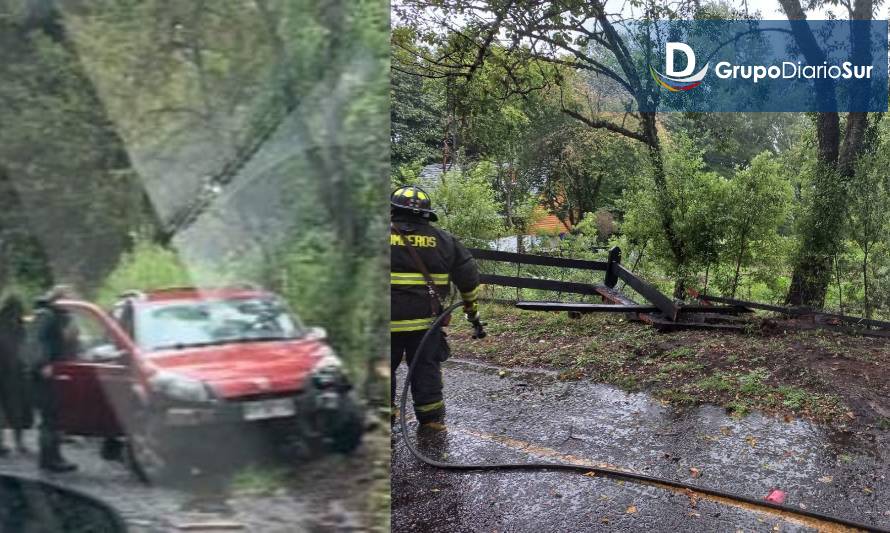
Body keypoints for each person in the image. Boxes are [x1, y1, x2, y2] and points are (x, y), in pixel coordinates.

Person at [390, 185, 483, 431]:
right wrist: (471, 311)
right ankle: (431, 422)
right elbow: (469, 278)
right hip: (426, 325)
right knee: (426, 371)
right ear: (426, 214)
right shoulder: (444, 241)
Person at [32, 286, 77, 472]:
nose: (71, 299)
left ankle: (54, 456)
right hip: (46, 374)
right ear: (58, 298)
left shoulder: (58, 317)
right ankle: (49, 459)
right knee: (49, 417)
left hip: (56, 371)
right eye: (68, 296)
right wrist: (43, 364)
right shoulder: (47, 316)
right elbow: (37, 341)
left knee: (55, 416)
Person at [0, 295, 33, 455]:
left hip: (13, 372)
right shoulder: (19, 327)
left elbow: (24, 349)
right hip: (12, 372)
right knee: (14, 408)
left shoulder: (20, 327)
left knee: (14, 409)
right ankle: (18, 443)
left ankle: (16, 443)